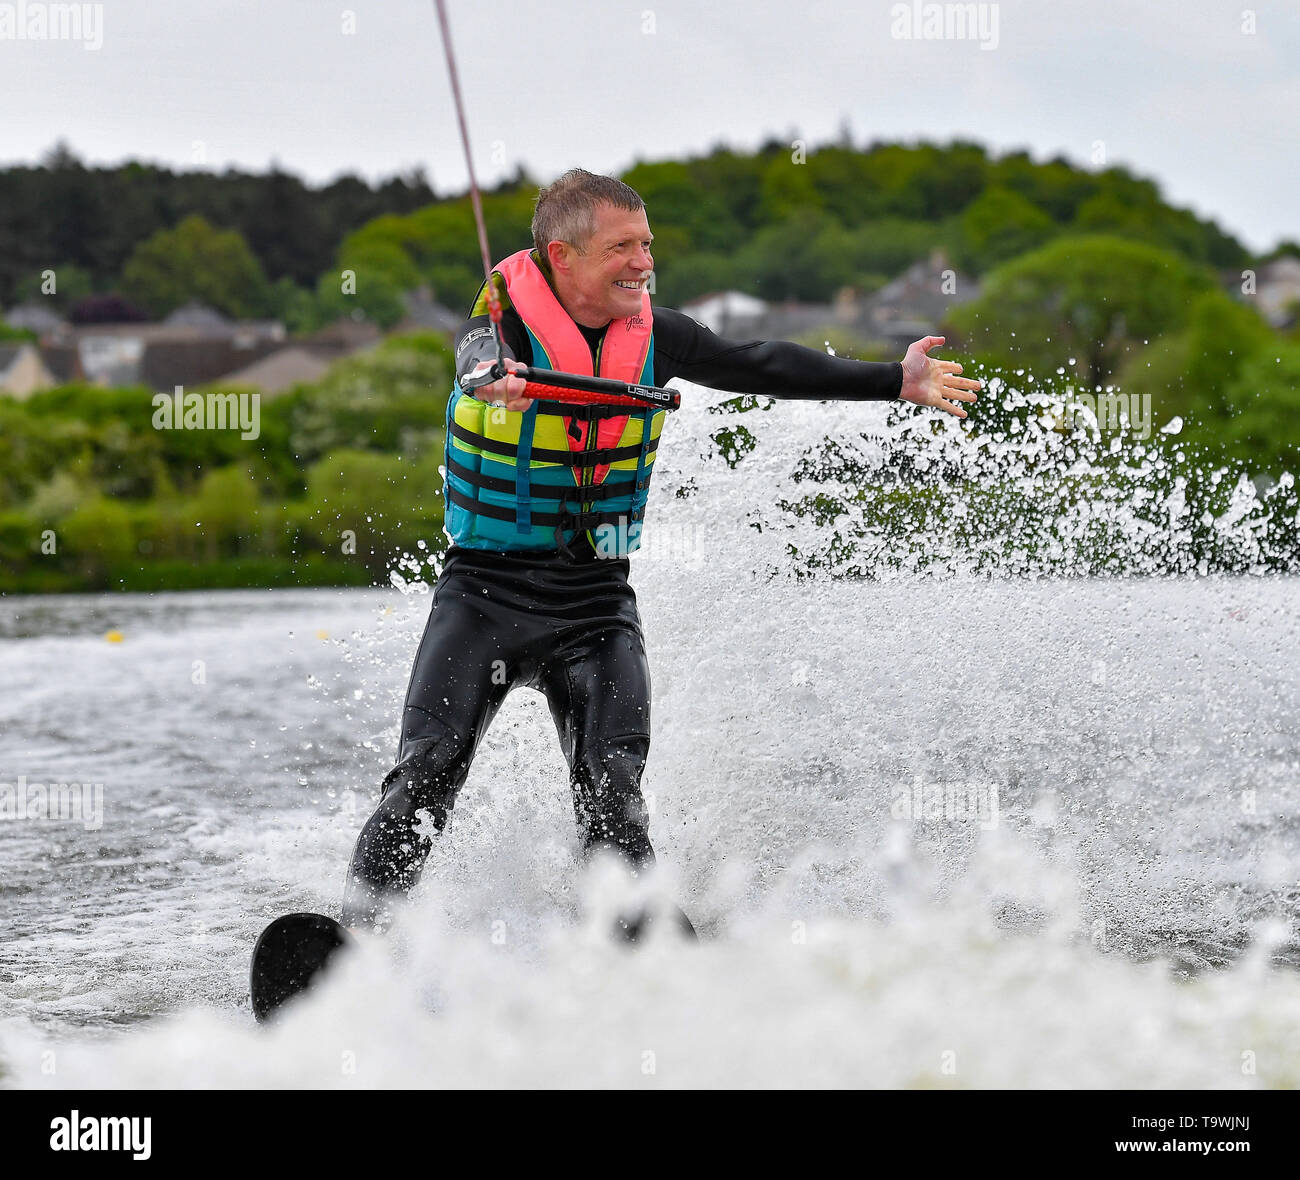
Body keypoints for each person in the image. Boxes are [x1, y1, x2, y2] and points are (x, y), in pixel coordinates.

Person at [339, 169, 979, 930]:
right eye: (623, 247)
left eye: (647, 243)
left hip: (595, 608)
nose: (645, 261)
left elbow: (762, 362)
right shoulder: (502, 325)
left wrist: (891, 382)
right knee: (426, 776)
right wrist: (492, 381)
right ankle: (350, 943)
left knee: (614, 790)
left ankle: (634, 944)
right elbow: (474, 357)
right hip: (483, 600)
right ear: (563, 257)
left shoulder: (659, 335)